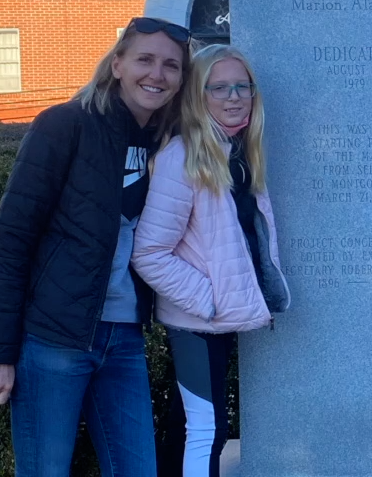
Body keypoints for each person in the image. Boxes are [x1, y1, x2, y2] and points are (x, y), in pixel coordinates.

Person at [0, 16, 191, 476]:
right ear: (117, 64)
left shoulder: (167, 142)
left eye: (171, 66)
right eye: (145, 60)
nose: (157, 74)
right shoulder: (65, 125)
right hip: (54, 338)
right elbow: (9, 240)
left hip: (125, 337)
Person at [132, 43, 291, 476]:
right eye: (219, 87)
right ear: (198, 97)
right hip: (196, 320)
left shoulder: (237, 154)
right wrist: (210, 298)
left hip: (217, 316)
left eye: (243, 86)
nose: (234, 96)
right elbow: (148, 252)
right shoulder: (183, 157)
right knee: (207, 430)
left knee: (189, 423)